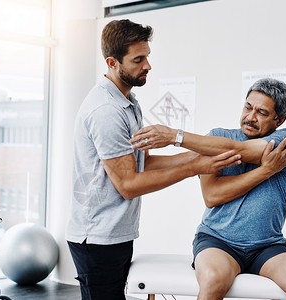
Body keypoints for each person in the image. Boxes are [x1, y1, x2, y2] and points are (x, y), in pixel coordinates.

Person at [65, 19, 243, 300]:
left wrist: (197, 154)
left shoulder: (129, 101)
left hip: (117, 232)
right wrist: (194, 166)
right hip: (97, 238)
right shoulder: (106, 110)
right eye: (138, 59)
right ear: (112, 62)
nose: (147, 65)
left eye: (147, 56)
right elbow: (129, 184)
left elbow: (142, 163)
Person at [130, 78, 286, 300]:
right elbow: (212, 196)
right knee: (213, 280)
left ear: (280, 120)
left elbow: (239, 150)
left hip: (267, 245)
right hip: (218, 241)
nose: (250, 117)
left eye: (262, 112)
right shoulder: (218, 137)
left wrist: (175, 136)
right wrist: (265, 171)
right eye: (248, 107)